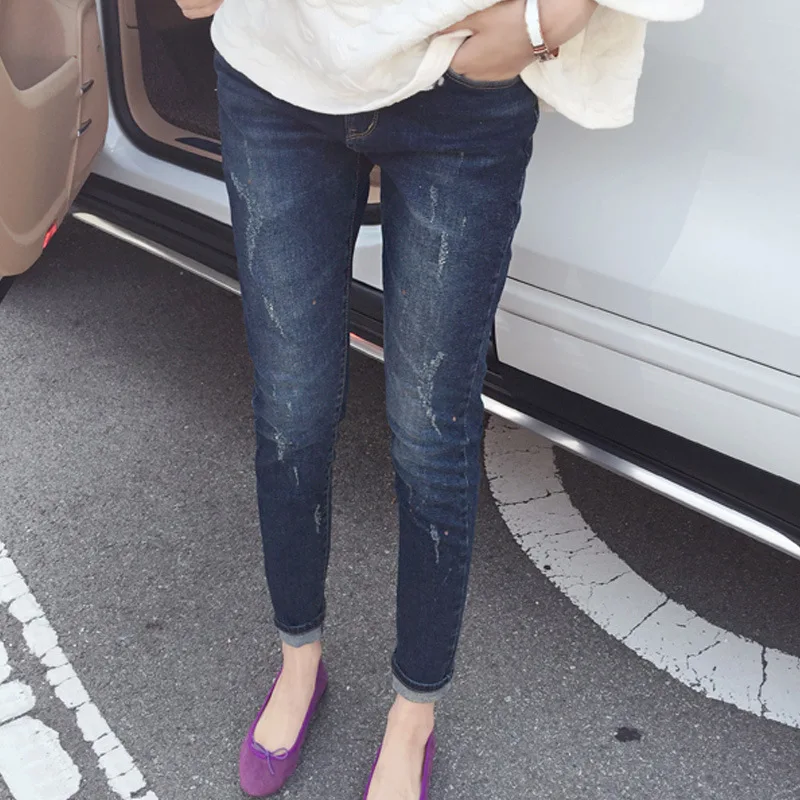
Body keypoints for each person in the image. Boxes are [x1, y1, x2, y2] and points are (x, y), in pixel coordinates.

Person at [173, 0, 704, 797]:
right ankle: (299, 662)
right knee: (290, 410)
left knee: (429, 432)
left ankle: (413, 711)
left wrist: (548, 18)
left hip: (457, 81)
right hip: (277, 65)